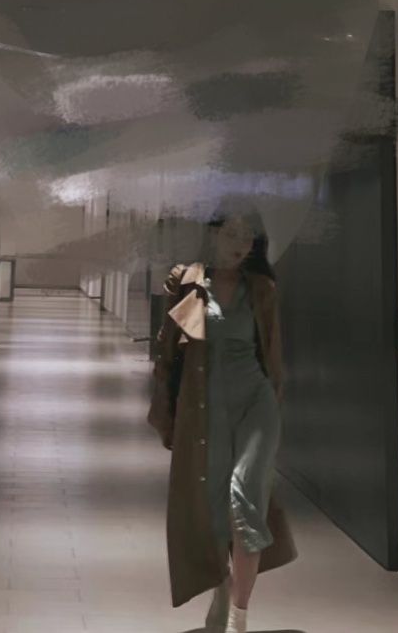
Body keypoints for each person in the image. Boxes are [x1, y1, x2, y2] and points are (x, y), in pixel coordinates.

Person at [147, 209, 297, 633]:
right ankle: (221, 587)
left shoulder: (261, 289)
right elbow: (167, 354)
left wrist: (274, 408)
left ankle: (238, 617)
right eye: (231, 234)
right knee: (211, 505)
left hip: (256, 404)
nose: (239, 245)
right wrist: (167, 415)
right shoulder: (187, 282)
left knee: (245, 499)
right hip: (204, 405)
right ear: (211, 235)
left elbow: (273, 361)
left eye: (247, 237)